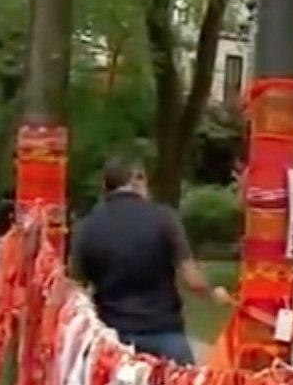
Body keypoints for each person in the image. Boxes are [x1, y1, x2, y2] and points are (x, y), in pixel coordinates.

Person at [70, 156, 213, 365]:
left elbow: (77, 290)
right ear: (137, 179)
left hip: (114, 338)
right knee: (181, 383)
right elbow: (192, 279)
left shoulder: (87, 228)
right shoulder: (164, 219)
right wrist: (213, 291)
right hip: (163, 331)